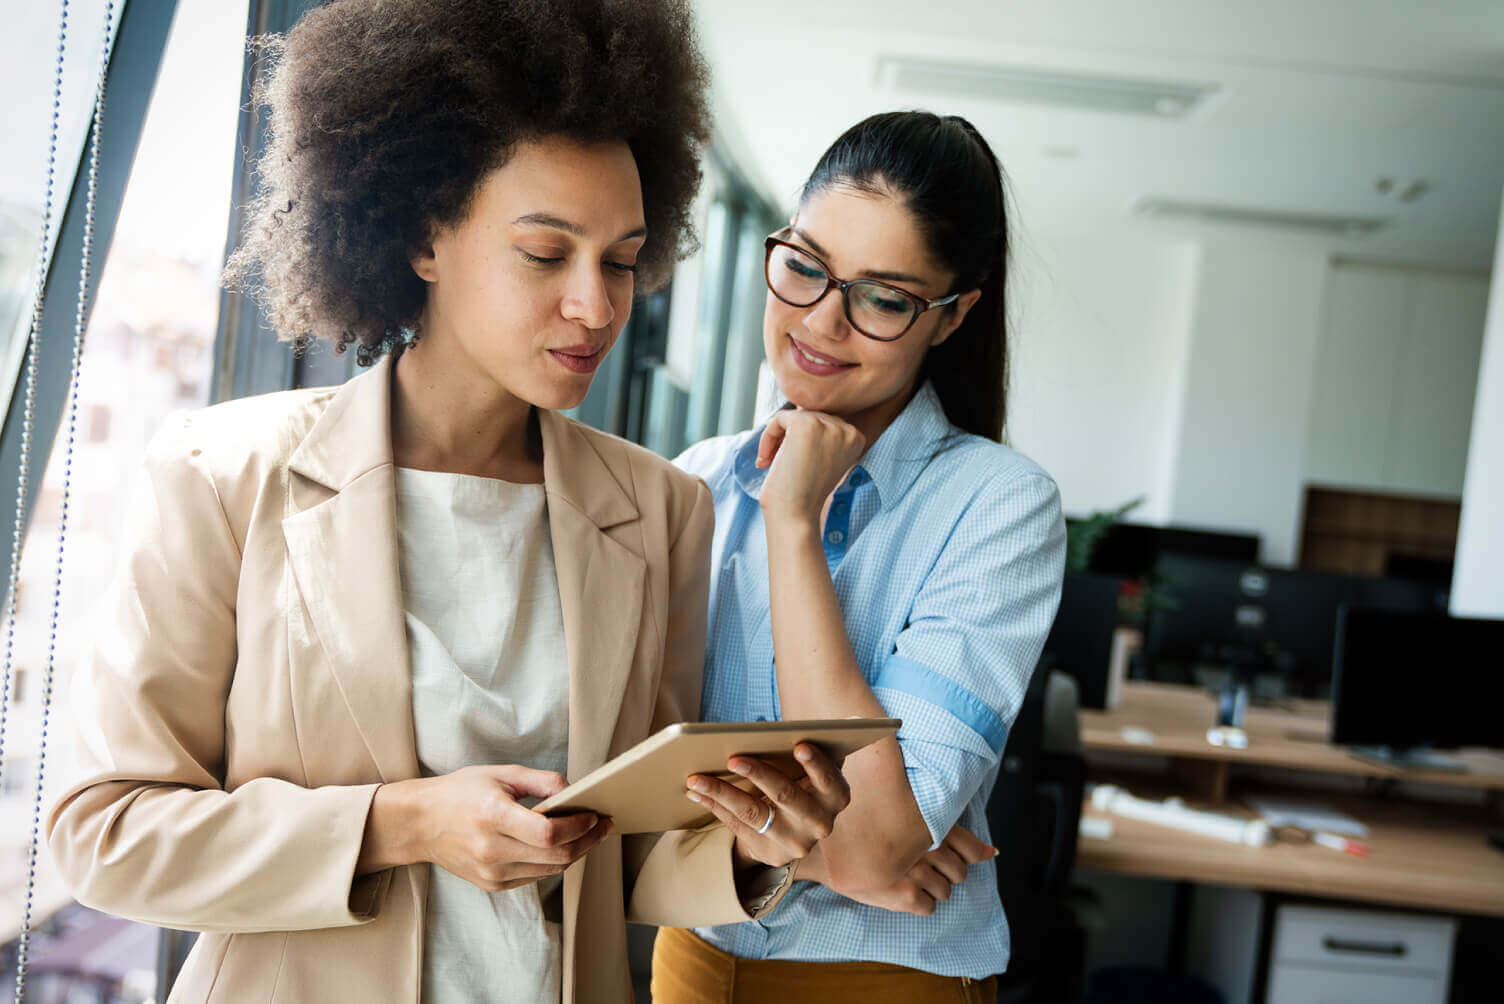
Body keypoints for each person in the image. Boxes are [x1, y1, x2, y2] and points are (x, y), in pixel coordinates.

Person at [44, 3, 850, 1002]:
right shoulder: (223, 474)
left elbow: (626, 855)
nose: (597, 306)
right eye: (546, 254)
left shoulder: (660, 509)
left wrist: (755, 848)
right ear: (425, 238)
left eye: (622, 258)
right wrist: (406, 821)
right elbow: (105, 832)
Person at [655, 111, 1066, 1002]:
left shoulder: (997, 506)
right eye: (803, 267)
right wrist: (833, 853)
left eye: (881, 298)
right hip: (692, 956)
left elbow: (881, 842)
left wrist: (794, 522)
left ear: (952, 318)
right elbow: (628, 786)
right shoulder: (689, 485)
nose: (819, 321)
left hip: (880, 977)